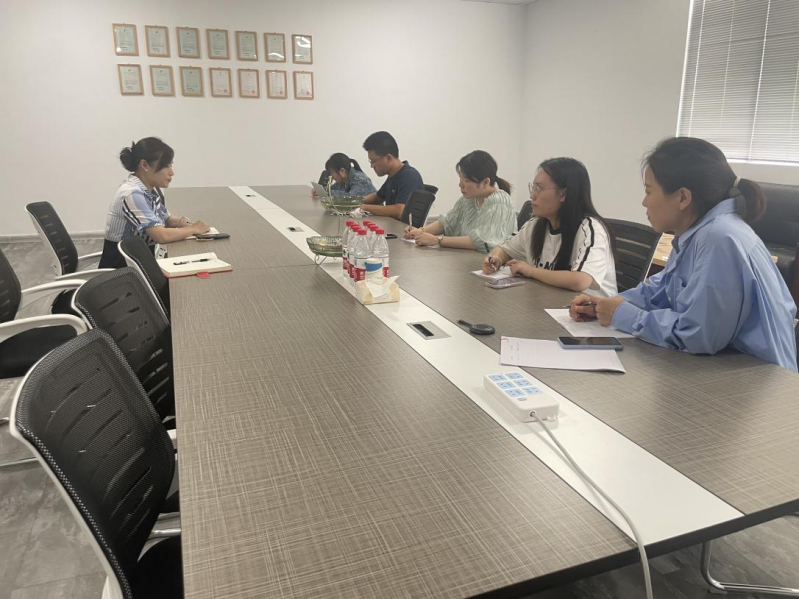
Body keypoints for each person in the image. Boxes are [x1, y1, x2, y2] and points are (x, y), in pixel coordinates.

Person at [569, 136, 797, 371]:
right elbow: (661, 290)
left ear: (683, 197)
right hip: (726, 366)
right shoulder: (695, 233)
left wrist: (623, 315)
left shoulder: (719, 238)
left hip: (758, 377)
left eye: (649, 191)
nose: (644, 202)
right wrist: (608, 305)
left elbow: (699, 335)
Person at [482, 157, 617, 296]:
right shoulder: (535, 225)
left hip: (589, 308)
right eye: (532, 188)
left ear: (563, 194)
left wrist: (531, 271)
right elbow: (504, 249)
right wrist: (496, 259)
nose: (532, 195)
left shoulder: (591, 229)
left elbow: (580, 281)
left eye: (538, 188)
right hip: (550, 302)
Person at [99, 138, 209, 268]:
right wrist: (193, 229)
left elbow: (167, 219)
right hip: (123, 272)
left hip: (140, 262)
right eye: (166, 166)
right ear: (144, 165)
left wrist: (183, 222)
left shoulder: (148, 189)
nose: (171, 172)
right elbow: (161, 236)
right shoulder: (132, 194)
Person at [404, 150, 516, 253]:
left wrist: (437, 240)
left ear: (485, 182)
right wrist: (421, 231)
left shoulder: (500, 202)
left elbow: (482, 242)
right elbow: (447, 222)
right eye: (461, 178)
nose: (460, 184)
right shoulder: (469, 199)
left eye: (466, 180)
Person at [359, 131, 424, 220]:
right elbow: (378, 197)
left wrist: (364, 208)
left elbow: (400, 210)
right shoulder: (393, 175)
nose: (372, 166)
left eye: (373, 161)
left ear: (388, 158)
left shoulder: (409, 176)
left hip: (402, 228)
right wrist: (354, 202)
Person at [311, 153, 376, 198]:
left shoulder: (359, 179)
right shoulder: (343, 180)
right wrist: (320, 191)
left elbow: (350, 198)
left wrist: (328, 193)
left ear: (342, 171)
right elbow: (333, 188)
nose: (331, 176)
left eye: (332, 173)